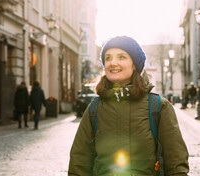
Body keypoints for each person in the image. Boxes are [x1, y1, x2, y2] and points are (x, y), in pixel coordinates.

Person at [69, 36, 189, 175]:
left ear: (134, 65)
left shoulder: (158, 107)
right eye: (108, 58)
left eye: (121, 57)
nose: (113, 63)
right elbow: (78, 164)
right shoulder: (94, 109)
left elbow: (176, 165)